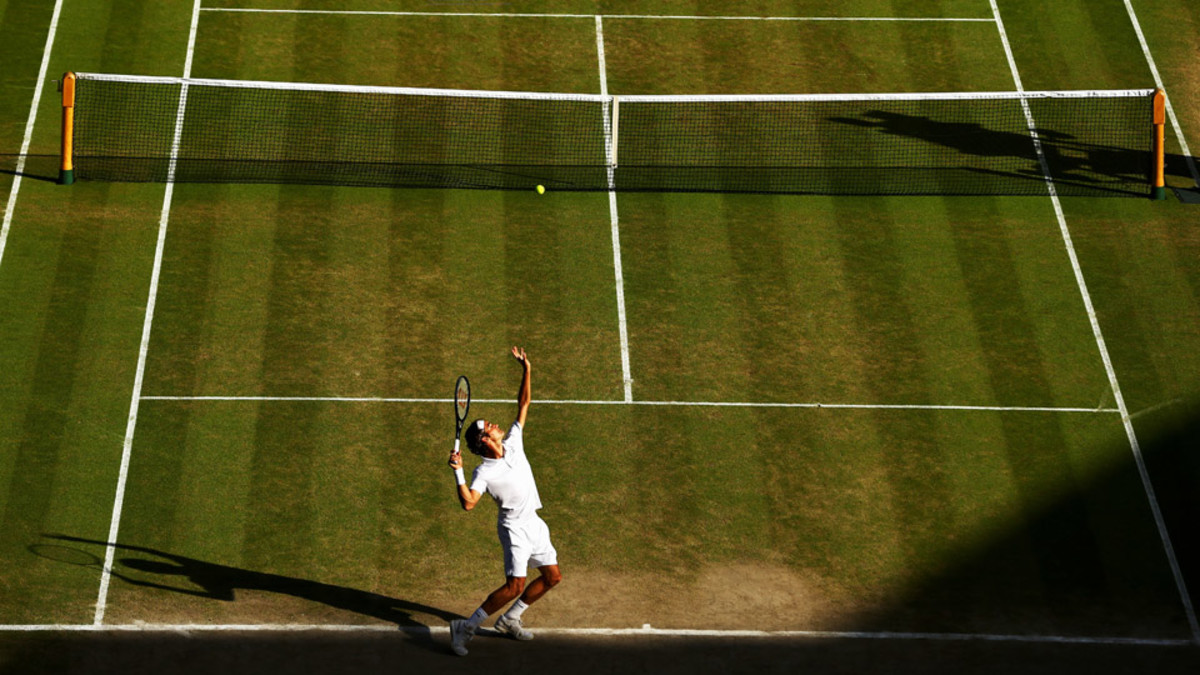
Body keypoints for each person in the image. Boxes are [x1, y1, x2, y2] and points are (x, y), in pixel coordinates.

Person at [447, 346, 562, 657]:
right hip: (514, 529)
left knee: (552, 577)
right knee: (514, 585)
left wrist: (527, 369)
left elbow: (523, 402)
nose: (495, 425)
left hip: (534, 523)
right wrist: (458, 474)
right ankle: (465, 628)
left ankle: (509, 619)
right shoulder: (483, 471)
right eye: (489, 427)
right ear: (484, 440)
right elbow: (469, 503)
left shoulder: (514, 441)